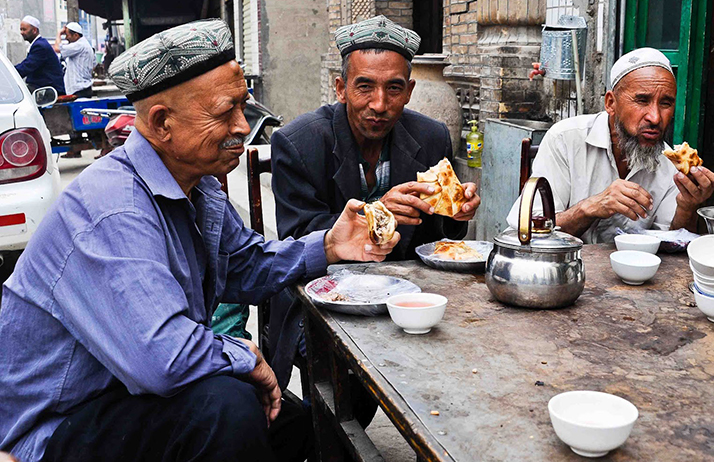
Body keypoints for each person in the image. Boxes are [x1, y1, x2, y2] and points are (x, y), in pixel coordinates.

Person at [0, 19, 398, 462]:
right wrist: (244, 356)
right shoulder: (113, 207)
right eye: (224, 112)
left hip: (134, 394)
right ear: (161, 122)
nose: (243, 127)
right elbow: (163, 357)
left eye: (242, 107)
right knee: (228, 408)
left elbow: (244, 263)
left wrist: (328, 245)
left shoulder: (197, 183)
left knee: (301, 427)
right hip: (60, 421)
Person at [265, 15, 481, 404]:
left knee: (464, 357)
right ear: (341, 87)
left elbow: (439, 240)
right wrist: (378, 213)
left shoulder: (431, 137)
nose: (379, 105)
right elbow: (299, 239)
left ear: (410, 90)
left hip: (407, 294)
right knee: (353, 391)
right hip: (321, 299)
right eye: (365, 86)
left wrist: (456, 213)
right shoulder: (298, 142)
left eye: (394, 88)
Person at [506, 47, 714, 243]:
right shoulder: (565, 139)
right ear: (610, 103)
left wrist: (687, 207)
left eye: (665, 103)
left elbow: (673, 244)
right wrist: (589, 208)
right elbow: (526, 231)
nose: (655, 117)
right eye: (642, 100)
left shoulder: (670, 166)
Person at [14, 15, 65, 95]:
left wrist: (10, 74)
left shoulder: (40, 46)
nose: (21, 33)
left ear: (34, 30)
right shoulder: (38, 44)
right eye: (21, 29)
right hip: (41, 89)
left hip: (48, 92)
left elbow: (27, 66)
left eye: (24, 30)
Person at [53, 21, 94, 97]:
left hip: (79, 89)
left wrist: (59, 34)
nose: (66, 38)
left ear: (75, 35)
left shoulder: (79, 45)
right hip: (82, 88)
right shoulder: (85, 44)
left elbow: (57, 48)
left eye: (67, 35)